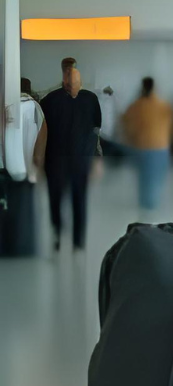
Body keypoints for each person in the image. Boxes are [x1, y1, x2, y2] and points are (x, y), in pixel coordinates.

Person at [40, 65, 102, 252]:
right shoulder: (50, 100)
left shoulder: (89, 99)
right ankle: (63, 237)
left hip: (73, 160)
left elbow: (95, 131)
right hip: (60, 159)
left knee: (75, 199)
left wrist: (95, 159)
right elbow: (42, 133)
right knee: (61, 200)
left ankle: (73, 239)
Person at [0, 79, 47, 257]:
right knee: (23, 217)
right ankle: (21, 250)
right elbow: (39, 152)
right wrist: (38, 170)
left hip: (3, 171)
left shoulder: (4, 107)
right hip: (26, 172)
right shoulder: (35, 108)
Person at [122, 77, 173, 211]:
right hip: (160, 147)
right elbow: (172, 126)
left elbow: (126, 124)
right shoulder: (163, 105)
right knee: (157, 178)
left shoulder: (135, 106)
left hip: (141, 147)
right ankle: (152, 204)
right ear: (154, 88)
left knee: (144, 178)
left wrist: (131, 140)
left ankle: (145, 204)